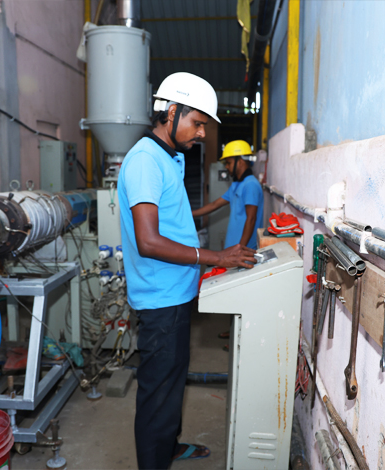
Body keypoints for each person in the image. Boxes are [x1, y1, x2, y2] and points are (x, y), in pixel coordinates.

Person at [118, 72, 257, 469]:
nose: (202, 133)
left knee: (172, 383)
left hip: (176, 293)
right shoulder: (145, 161)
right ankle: (155, 460)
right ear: (171, 111)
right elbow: (148, 241)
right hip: (160, 299)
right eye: (197, 122)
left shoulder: (168, 157)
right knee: (157, 393)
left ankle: (168, 446)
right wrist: (216, 257)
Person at [191, 139, 264, 250]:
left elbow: (251, 219)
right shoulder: (237, 184)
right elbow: (214, 205)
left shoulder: (250, 185)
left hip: (243, 249)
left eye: (229, 163)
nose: (226, 167)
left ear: (240, 162)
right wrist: (190, 214)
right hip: (233, 247)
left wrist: (240, 249)